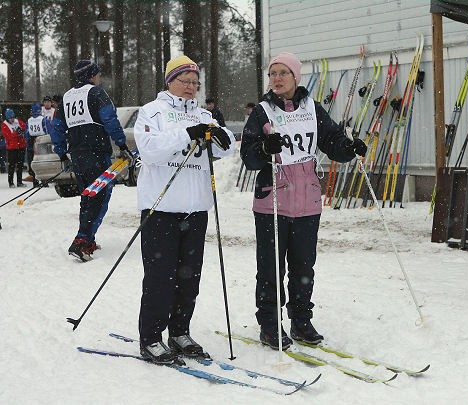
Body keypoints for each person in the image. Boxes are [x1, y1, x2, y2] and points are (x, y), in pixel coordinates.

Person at [240, 52, 367, 349]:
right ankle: (270, 325)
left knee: (303, 267)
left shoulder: (312, 108)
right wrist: (264, 147)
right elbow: (248, 156)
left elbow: (333, 141)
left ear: (296, 77)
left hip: (307, 200)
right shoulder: (261, 112)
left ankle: (301, 321)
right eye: (273, 74)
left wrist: (349, 148)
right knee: (271, 267)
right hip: (273, 198)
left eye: (283, 73)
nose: (277, 79)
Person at [134, 55, 234, 364]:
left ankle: (179, 332)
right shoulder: (152, 112)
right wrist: (188, 133)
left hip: (195, 209)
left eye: (195, 82)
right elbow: (149, 150)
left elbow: (226, 145)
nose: (191, 87)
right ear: (170, 81)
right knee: (160, 278)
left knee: (189, 278)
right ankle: (151, 338)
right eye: (185, 81)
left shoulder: (204, 114)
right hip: (161, 209)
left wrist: (219, 134)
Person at [50, 60, 130, 262]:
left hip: (77, 154)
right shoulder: (96, 93)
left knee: (87, 197)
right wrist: (121, 144)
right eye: (97, 73)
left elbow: (57, 127)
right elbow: (110, 119)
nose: (99, 77)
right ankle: (82, 241)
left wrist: (61, 154)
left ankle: (87, 238)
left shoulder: (67, 96)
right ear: (92, 75)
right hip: (96, 152)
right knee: (100, 195)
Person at [25, 104, 52, 187]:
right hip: (42, 143)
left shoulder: (29, 121)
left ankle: (35, 181)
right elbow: (49, 132)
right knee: (44, 162)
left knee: (33, 162)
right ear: (40, 110)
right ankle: (45, 181)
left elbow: (26, 133)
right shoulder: (43, 120)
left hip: (31, 143)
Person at [1, 108, 27, 188]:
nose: (12, 119)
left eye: (13, 117)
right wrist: (16, 133)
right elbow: (8, 137)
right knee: (12, 165)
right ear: (7, 118)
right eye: (10, 118)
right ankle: (11, 182)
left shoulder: (17, 122)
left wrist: (22, 131)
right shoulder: (4, 125)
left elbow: (25, 127)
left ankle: (19, 182)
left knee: (20, 165)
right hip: (12, 148)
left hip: (21, 146)